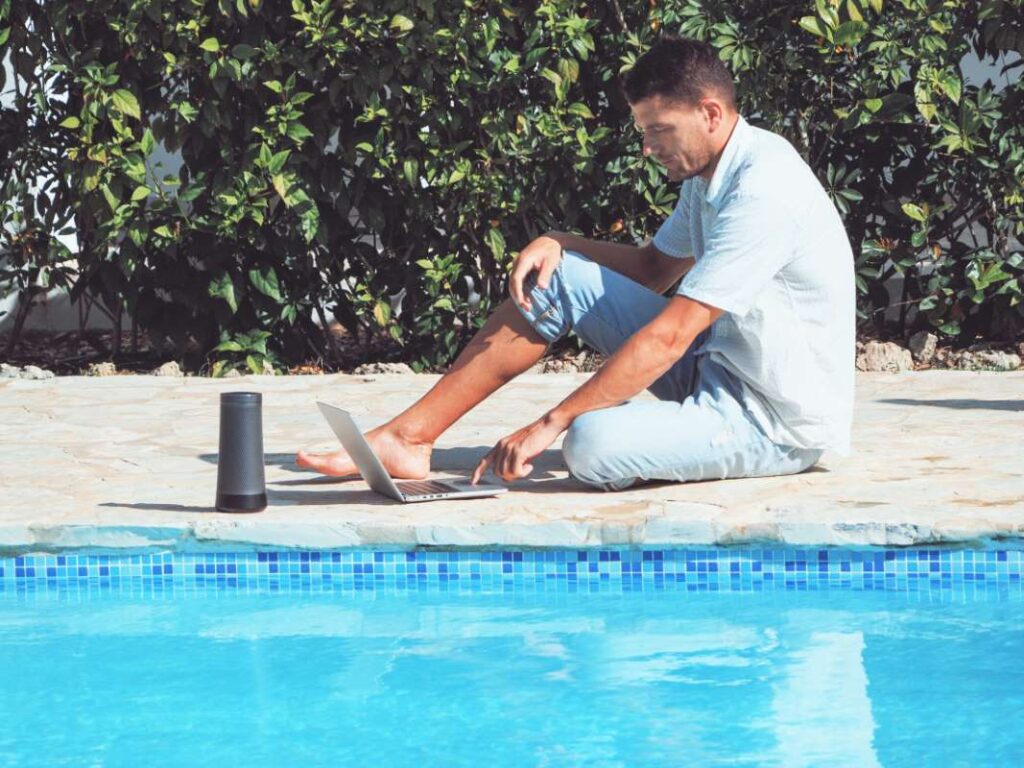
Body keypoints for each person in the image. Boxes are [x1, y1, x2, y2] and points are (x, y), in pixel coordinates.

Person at [296, 35, 855, 492]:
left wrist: (548, 424)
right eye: (643, 131)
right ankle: (410, 438)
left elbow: (670, 336)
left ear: (710, 113)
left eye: (659, 130)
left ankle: (658, 436)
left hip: (774, 421)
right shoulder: (709, 175)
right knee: (557, 273)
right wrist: (561, 242)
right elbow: (654, 268)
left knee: (590, 444)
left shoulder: (763, 193)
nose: (647, 147)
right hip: (718, 371)